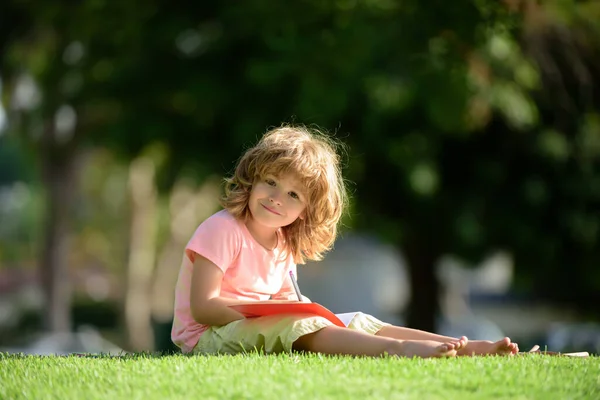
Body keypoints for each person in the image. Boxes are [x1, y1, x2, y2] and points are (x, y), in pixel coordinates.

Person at [171, 124, 520, 358]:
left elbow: (284, 298)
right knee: (300, 324)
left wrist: (289, 309)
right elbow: (203, 308)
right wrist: (270, 313)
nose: (277, 198)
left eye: (294, 195)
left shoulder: (282, 243)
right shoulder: (222, 229)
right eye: (271, 182)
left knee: (356, 319)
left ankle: (467, 346)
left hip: (251, 325)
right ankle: (401, 349)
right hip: (208, 336)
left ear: (305, 211)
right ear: (252, 178)